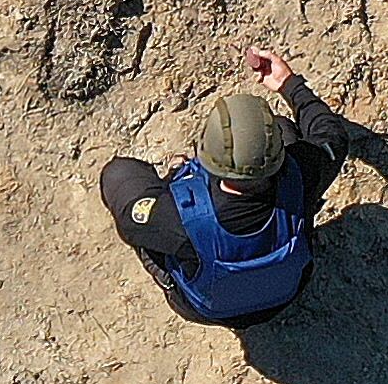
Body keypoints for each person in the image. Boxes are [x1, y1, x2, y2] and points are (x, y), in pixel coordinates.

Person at [96, 48, 355, 323]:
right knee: (284, 126)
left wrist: (174, 179)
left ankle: (173, 280)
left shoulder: (176, 215)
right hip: (284, 295)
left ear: (206, 157)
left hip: (209, 309)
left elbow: (131, 225)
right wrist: (288, 83)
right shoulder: (304, 173)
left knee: (119, 174)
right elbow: (331, 134)